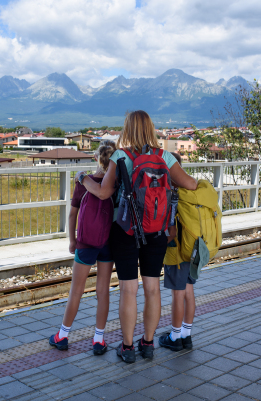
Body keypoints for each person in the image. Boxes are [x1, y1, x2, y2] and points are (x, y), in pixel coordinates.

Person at [75, 111, 197, 363]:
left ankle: (128, 347)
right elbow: (191, 185)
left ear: (127, 129)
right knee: (152, 288)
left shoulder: (120, 156)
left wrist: (84, 178)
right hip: (158, 230)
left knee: (128, 289)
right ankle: (148, 343)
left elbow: (102, 192)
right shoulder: (164, 157)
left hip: (126, 229)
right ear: (151, 129)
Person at [49, 140, 117, 355]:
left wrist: (72, 240)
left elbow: (72, 213)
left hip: (86, 242)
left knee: (76, 291)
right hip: (108, 242)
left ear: (96, 158)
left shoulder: (83, 181)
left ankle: (63, 335)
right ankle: (98, 340)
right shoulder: (115, 184)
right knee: (103, 291)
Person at [159, 152, 195, 352]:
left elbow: (169, 227)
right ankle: (186, 335)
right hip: (192, 248)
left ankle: (174, 336)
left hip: (177, 251)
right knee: (188, 290)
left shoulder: (171, 193)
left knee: (177, 294)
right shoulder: (188, 190)